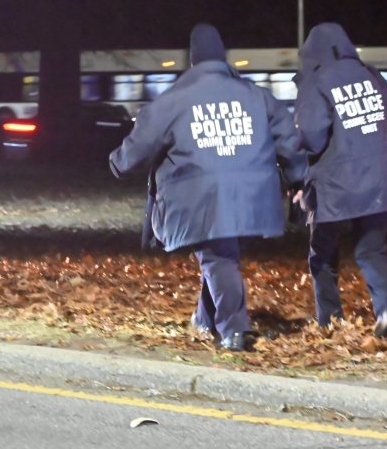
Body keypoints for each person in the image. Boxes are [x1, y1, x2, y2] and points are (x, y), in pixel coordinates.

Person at [109, 24, 306, 351]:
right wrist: (298, 177)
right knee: (219, 255)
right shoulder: (254, 95)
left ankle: (235, 330)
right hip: (252, 192)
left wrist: (117, 162)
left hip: (201, 195)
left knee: (217, 258)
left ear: (193, 60)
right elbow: (288, 135)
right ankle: (204, 320)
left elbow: (140, 142)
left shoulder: (174, 100)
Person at [291, 22, 387, 339]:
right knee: (372, 250)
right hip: (381, 180)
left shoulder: (317, 81)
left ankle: (329, 319)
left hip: (335, 185)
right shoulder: (371, 75)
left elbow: (313, 137)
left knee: (323, 254)